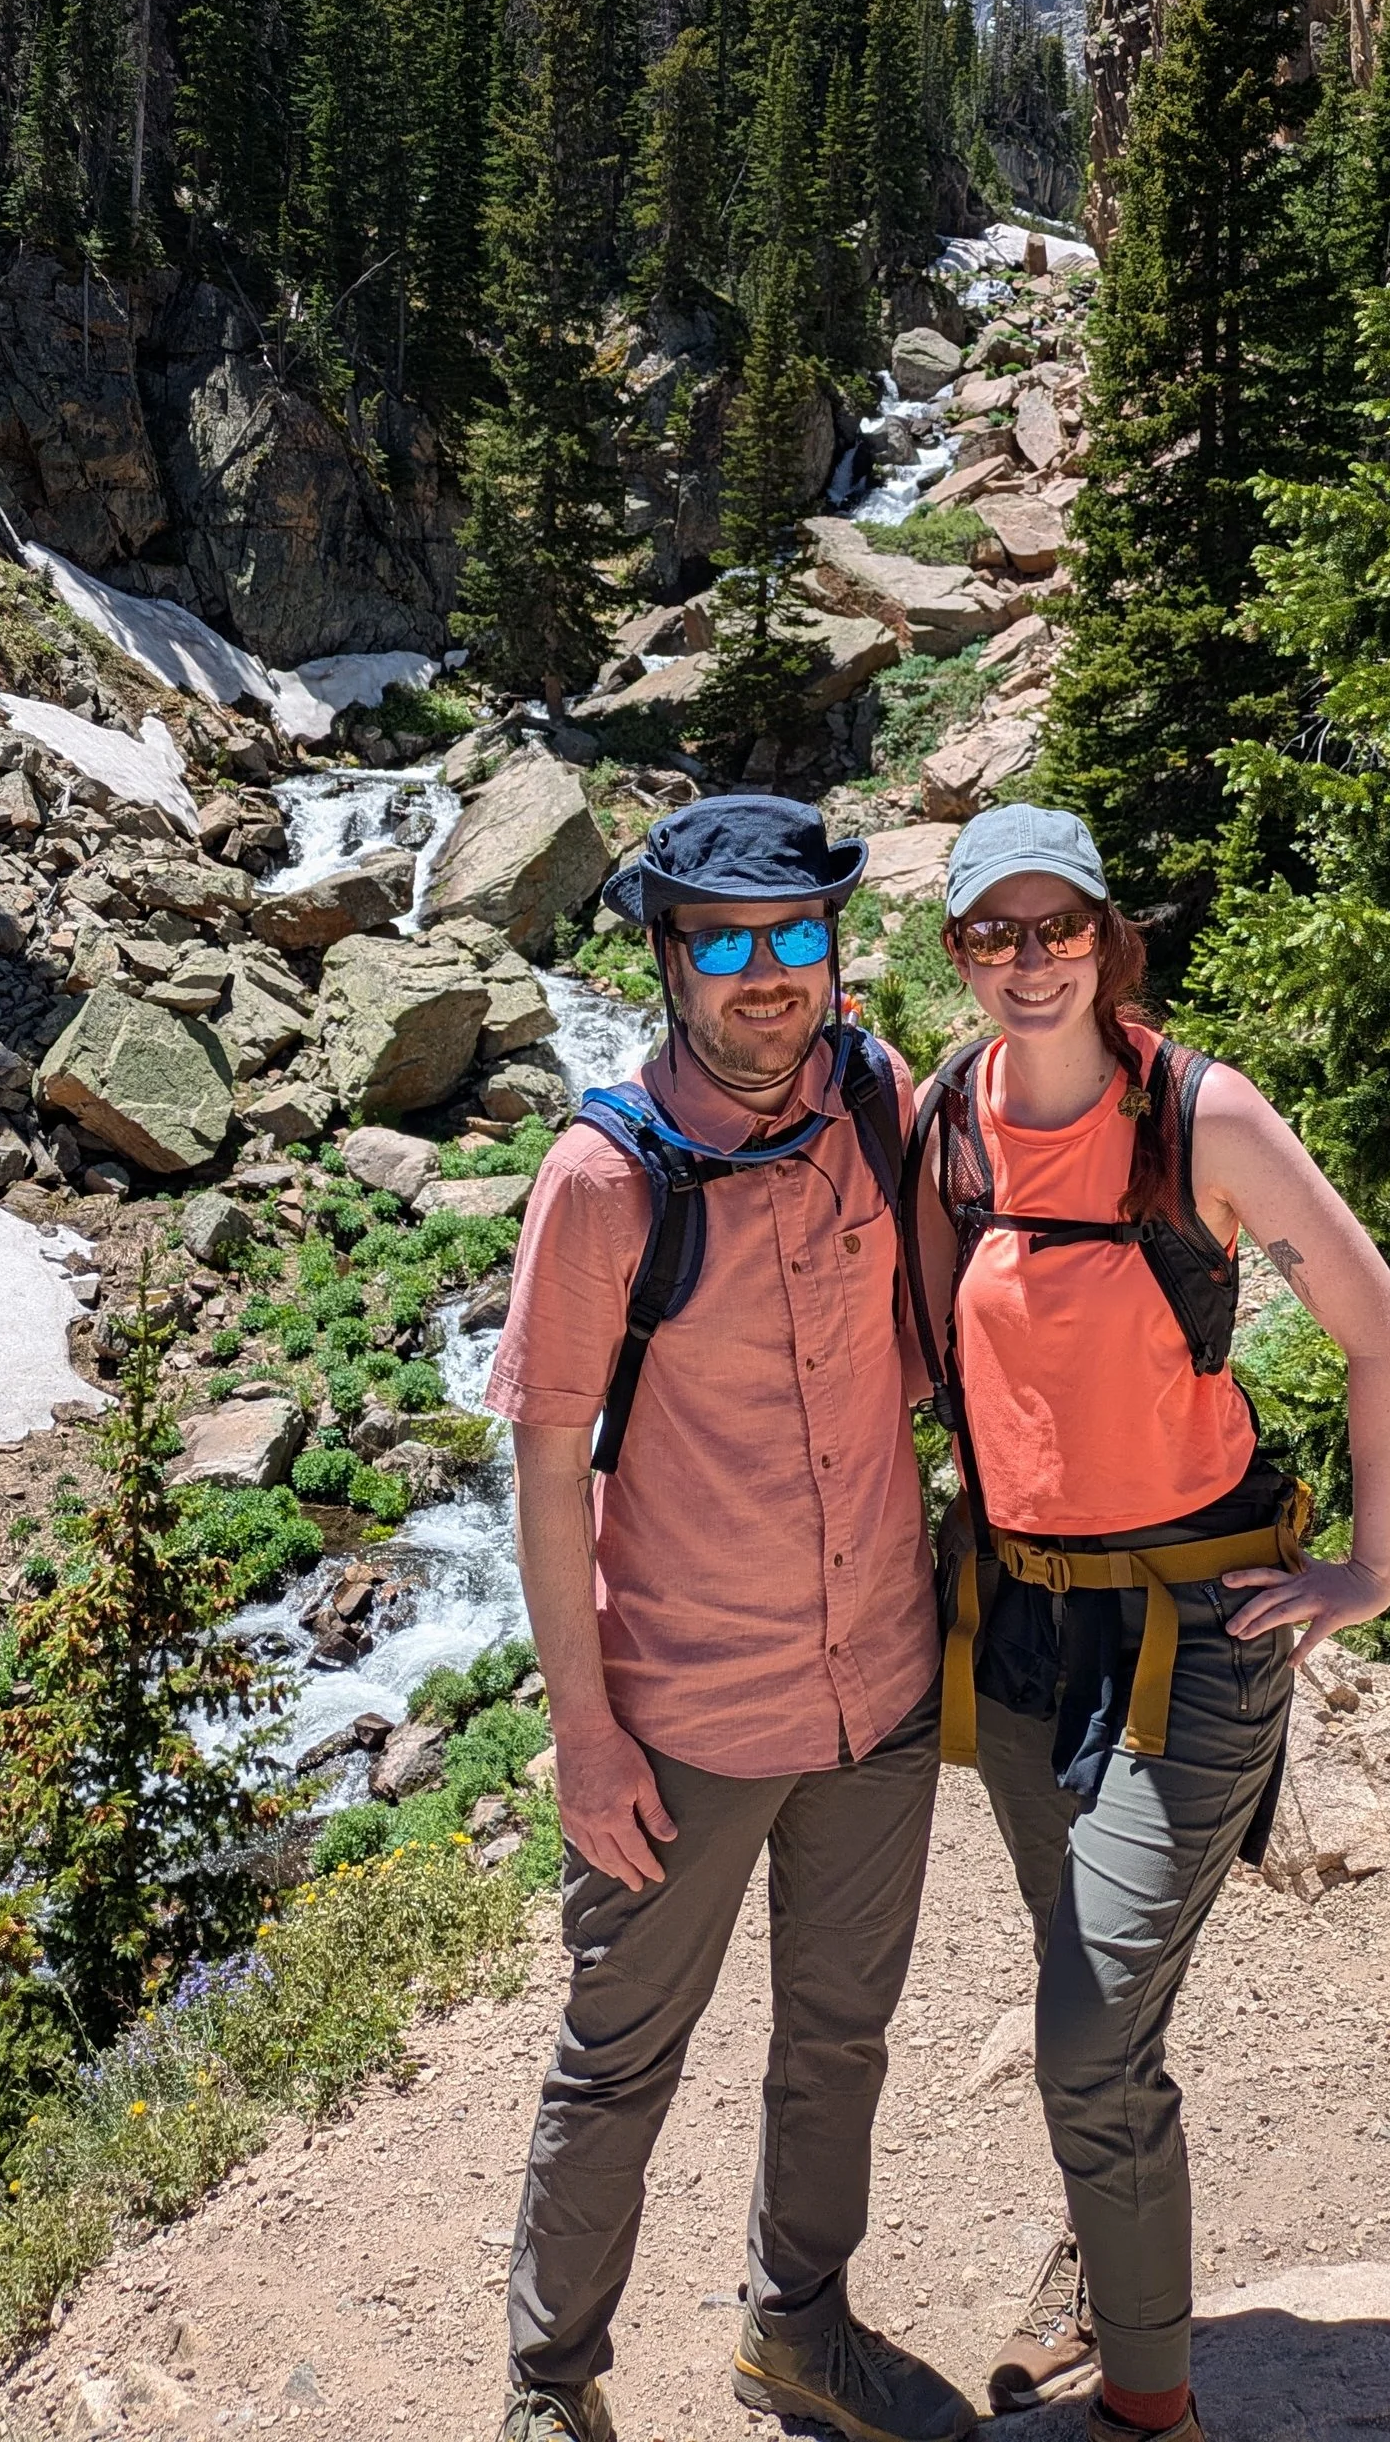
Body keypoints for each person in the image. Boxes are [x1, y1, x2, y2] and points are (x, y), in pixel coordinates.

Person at [902, 803, 1390, 2442]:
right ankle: (1103, 2248)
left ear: (1107, 938)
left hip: (1195, 1628)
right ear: (958, 951)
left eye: (1059, 927)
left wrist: (1371, 1570)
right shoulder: (949, 1120)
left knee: (1079, 2032)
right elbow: (924, 1359)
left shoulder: (1203, 1115)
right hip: (1020, 1632)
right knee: (1094, 1996)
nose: (1029, 960)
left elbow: (1380, 1332)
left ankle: (1150, 2406)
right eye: (994, 934)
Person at [484, 793, 978, 2442]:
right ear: (670, 962)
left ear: (835, 949)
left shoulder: (875, 1096)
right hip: (683, 1712)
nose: (767, 974)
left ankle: (798, 2330)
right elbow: (548, 1472)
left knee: (839, 2039)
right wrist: (581, 1734)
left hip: (878, 1684)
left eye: (796, 936)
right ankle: (551, 2388)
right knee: (618, 2061)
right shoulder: (602, 1179)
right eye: (725, 945)